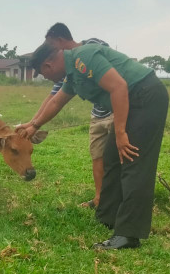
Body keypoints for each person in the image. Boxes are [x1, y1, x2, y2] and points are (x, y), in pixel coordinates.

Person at [17, 40, 169, 250]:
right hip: (131, 101)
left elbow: (119, 87)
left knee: (132, 161)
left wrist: (121, 132)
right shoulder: (73, 75)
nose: (47, 79)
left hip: (145, 97)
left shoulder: (84, 58)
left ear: (48, 65)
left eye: (44, 75)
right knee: (111, 157)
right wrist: (33, 125)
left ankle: (128, 235)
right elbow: (56, 101)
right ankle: (108, 216)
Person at [29, 23, 113, 209]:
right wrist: (32, 123)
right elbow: (54, 98)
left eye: (52, 46)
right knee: (97, 156)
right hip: (98, 114)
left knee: (119, 157)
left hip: (117, 110)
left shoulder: (93, 46)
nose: (51, 52)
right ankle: (100, 199)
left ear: (60, 41)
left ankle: (119, 200)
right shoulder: (67, 71)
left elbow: (114, 81)